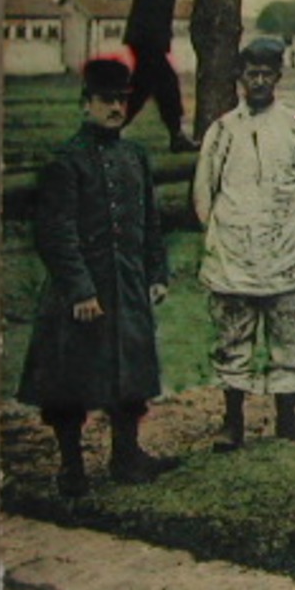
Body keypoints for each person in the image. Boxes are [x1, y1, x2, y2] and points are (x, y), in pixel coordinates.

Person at [18, 57, 177, 497]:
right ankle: (71, 468)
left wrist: (156, 272)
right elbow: (56, 232)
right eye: (106, 100)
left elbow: (150, 222)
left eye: (122, 101)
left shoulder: (134, 156)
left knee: (130, 375)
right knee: (69, 383)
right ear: (85, 103)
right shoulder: (65, 161)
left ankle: (127, 457)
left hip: (127, 287)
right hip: (80, 294)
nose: (115, 109)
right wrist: (80, 290)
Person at [193, 36, 295, 450]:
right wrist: (223, 236)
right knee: (233, 339)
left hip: (286, 251)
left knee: (288, 336)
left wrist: (291, 227)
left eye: (267, 73)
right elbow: (203, 194)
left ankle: (288, 417)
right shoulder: (224, 130)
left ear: (278, 77)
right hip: (235, 254)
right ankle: (233, 422)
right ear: (240, 77)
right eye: (252, 74)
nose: (259, 81)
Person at [108, 0, 250, 152]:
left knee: (147, 87)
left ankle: (117, 131)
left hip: (142, 37)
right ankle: (162, 136)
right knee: (163, 85)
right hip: (150, 38)